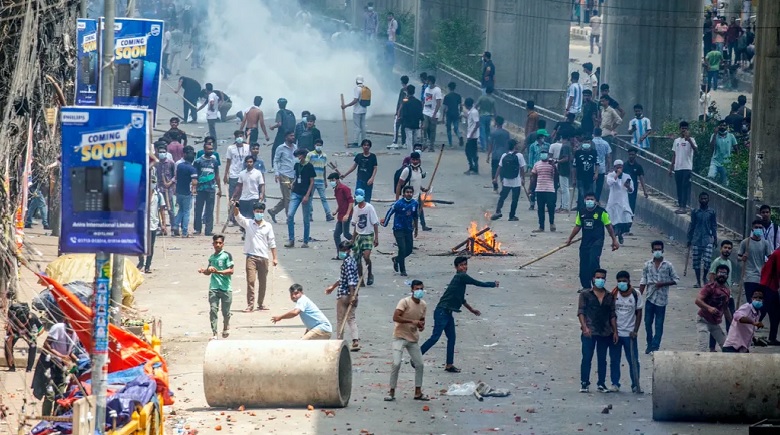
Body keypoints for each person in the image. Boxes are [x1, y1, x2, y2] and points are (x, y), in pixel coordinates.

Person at [420, 256, 498, 372]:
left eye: (465, 264)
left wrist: (472, 310)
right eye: (461, 265)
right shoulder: (461, 276)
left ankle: (449, 365)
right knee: (435, 337)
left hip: (447, 312)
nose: (464, 267)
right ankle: (416, 356)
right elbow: (477, 283)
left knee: (452, 338)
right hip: (442, 312)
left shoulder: (459, 280)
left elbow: (461, 299)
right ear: (456, 267)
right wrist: (492, 284)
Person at [566, 192, 621, 292]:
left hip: (597, 242)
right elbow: (578, 226)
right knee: (584, 264)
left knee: (593, 262)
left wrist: (614, 240)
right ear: (584, 200)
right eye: (587, 199)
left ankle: (597, 285)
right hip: (585, 242)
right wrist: (570, 239)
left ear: (596, 201)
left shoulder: (601, 212)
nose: (589, 201)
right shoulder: (581, 212)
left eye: (591, 199)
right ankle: (586, 286)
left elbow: (608, 226)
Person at [385, 280, 428, 402]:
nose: (419, 291)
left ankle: (418, 392)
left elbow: (422, 321)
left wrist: (420, 326)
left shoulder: (423, 305)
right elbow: (396, 317)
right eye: (417, 289)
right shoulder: (404, 302)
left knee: (419, 364)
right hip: (399, 336)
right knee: (396, 363)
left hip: (413, 338)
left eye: (421, 288)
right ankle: (391, 391)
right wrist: (412, 322)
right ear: (412, 290)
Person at [578, 269, 617, 394]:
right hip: (589, 331)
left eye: (602, 278)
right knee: (587, 358)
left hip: (605, 332)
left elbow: (612, 315)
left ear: (605, 280)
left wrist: (615, 331)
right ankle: (584, 383)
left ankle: (601, 383)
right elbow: (581, 312)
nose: (600, 280)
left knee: (602, 359)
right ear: (593, 279)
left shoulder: (609, 296)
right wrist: (584, 327)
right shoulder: (585, 294)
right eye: (598, 277)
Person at [233, 202, 277, 313]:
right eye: (257, 211)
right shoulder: (248, 223)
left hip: (263, 257)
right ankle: (250, 305)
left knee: (263, 282)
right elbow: (238, 217)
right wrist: (236, 207)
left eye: (261, 212)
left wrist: (274, 258)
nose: (259, 214)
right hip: (251, 257)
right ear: (254, 212)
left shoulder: (268, 226)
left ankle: (261, 303)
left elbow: (272, 243)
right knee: (251, 281)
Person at [639, 240, 680, 354]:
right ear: (652, 250)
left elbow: (676, 280)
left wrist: (663, 283)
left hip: (662, 300)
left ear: (663, 250)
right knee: (647, 323)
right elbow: (644, 280)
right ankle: (649, 343)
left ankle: (655, 346)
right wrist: (639, 295)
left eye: (659, 249)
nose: (657, 251)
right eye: (655, 249)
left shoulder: (668, 265)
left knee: (658, 324)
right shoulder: (647, 265)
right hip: (650, 298)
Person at [608, 271, 643, 393]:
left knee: (633, 360)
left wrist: (635, 330)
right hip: (616, 334)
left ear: (629, 281)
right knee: (614, 359)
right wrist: (613, 331)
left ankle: (635, 384)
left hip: (630, 334)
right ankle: (615, 383)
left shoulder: (635, 294)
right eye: (619, 281)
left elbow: (639, 312)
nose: (621, 283)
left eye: (624, 281)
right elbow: (611, 313)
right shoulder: (613, 294)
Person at [33, 321, 78, 415]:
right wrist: (61, 356)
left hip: (62, 367)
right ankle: (45, 419)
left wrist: (78, 361)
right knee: (50, 395)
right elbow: (46, 344)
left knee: (60, 395)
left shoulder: (76, 333)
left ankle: (55, 418)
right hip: (51, 364)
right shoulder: (58, 328)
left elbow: (69, 352)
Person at [326, 241, 361, 350]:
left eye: (343, 250)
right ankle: (355, 340)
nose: (341, 252)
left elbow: (350, 281)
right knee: (351, 318)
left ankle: (339, 341)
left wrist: (352, 296)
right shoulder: (351, 261)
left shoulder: (348, 263)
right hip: (352, 293)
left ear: (348, 250)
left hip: (345, 295)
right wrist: (333, 287)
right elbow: (343, 278)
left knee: (341, 319)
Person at [198, 234, 233, 339]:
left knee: (226, 312)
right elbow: (208, 272)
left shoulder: (227, 255)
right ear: (213, 244)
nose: (218, 245)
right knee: (213, 310)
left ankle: (226, 326)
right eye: (216, 243)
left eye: (220, 243)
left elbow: (231, 270)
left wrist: (218, 271)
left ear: (223, 244)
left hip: (226, 288)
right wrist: (204, 270)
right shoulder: (212, 257)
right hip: (214, 287)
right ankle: (214, 333)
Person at [382, 185, 419, 277]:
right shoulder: (398, 203)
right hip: (398, 229)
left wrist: (416, 229)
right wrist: (385, 223)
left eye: (411, 192)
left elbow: (415, 216)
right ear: (403, 194)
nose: (409, 194)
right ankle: (403, 270)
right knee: (402, 248)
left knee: (409, 250)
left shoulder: (415, 203)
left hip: (408, 229)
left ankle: (397, 259)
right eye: (407, 192)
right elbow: (390, 212)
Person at [695, 264, 733, 351]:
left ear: (727, 276)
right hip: (703, 320)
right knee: (702, 347)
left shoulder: (726, 291)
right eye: (720, 272)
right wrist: (709, 308)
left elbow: (725, 309)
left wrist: (733, 323)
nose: (722, 275)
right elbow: (697, 301)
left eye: (725, 273)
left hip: (714, 323)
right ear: (716, 274)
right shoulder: (709, 287)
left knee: (726, 348)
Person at [285, 148, 315, 248]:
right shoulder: (297, 165)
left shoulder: (309, 166)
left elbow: (312, 182)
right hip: (296, 192)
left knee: (306, 219)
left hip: (305, 194)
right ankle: (291, 239)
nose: (298, 157)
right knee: (290, 215)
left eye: (299, 155)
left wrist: (307, 195)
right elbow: (296, 177)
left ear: (303, 155)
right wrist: (292, 184)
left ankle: (305, 241)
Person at [688, 192, 719, 288]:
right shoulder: (695, 211)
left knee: (707, 261)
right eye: (702, 198)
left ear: (708, 200)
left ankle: (704, 277)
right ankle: (698, 281)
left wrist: (715, 237)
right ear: (699, 200)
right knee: (696, 262)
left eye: (705, 198)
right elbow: (692, 225)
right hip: (697, 239)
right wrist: (689, 238)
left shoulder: (712, 212)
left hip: (708, 239)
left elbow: (714, 225)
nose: (704, 200)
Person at [4, 295, 42, 372]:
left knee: (33, 344)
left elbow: (42, 328)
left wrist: (36, 334)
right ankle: (11, 366)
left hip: (28, 332)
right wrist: (10, 356)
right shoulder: (12, 321)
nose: (22, 325)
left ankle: (29, 368)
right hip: (15, 332)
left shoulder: (33, 317)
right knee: (7, 345)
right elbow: (9, 340)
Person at [491, 139, 526, 221]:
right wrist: (523, 179)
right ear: (514, 146)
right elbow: (522, 168)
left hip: (506, 181)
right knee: (515, 199)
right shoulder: (519, 155)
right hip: (516, 181)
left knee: (502, 197)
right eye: (516, 144)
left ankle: (498, 211)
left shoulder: (504, 155)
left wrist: (495, 178)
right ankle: (511, 216)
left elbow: (499, 167)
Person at [231, 155, 265, 238]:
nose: (249, 163)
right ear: (245, 163)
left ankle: (250, 233)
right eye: (248, 162)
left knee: (251, 216)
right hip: (243, 198)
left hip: (254, 197)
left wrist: (262, 194)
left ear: (253, 163)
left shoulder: (258, 173)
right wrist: (233, 196)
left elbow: (262, 185)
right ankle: (245, 231)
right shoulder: (242, 173)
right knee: (243, 216)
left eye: (251, 162)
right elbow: (239, 186)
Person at [395, 152, 430, 231]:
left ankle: (423, 225)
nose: (415, 162)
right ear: (410, 160)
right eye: (413, 160)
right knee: (408, 218)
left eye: (416, 160)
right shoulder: (407, 170)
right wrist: (397, 200)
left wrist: (423, 189)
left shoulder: (420, 170)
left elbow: (416, 182)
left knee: (420, 211)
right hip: (408, 198)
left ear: (419, 160)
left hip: (417, 196)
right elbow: (399, 184)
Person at [351, 188, 379, 285]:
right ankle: (361, 278)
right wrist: (352, 239)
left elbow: (375, 223)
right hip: (359, 235)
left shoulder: (369, 207)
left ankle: (370, 274)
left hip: (368, 235)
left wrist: (376, 238)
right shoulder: (355, 209)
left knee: (366, 256)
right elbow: (355, 224)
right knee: (357, 259)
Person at [192, 141, 222, 236]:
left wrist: (220, 188)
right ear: (204, 149)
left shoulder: (214, 161)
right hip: (200, 189)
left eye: (211, 149)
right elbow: (194, 176)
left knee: (209, 210)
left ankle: (208, 230)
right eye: (208, 149)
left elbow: (217, 175)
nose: (210, 151)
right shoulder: (198, 161)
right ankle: (197, 229)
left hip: (211, 189)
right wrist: (194, 187)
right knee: (198, 210)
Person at [268, 131, 296, 223]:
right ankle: (289, 217)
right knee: (288, 197)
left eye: (293, 135)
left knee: (287, 197)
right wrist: (276, 173)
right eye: (291, 136)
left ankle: (273, 211)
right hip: (284, 175)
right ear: (286, 137)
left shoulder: (295, 147)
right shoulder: (280, 148)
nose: (293, 137)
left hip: (293, 175)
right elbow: (275, 161)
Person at [669, 121, 697, 214]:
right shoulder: (676, 141)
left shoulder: (691, 139)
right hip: (678, 167)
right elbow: (674, 154)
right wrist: (671, 167)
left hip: (687, 167)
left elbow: (696, 150)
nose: (684, 130)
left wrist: (688, 140)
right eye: (682, 128)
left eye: (685, 128)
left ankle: (683, 206)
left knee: (685, 187)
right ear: (679, 129)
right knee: (679, 187)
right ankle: (680, 204)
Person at [138, 176, 165, 273]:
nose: (152, 183)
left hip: (153, 224)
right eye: (150, 182)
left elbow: (161, 210)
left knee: (151, 246)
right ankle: (141, 262)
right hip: (142, 223)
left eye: (153, 182)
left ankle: (147, 266)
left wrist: (163, 224)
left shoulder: (159, 195)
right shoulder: (141, 194)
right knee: (140, 244)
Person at [605, 160, 634, 244]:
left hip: (623, 202)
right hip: (613, 201)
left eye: (620, 166)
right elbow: (610, 183)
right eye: (617, 167)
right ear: (614, 167)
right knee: (614, 221)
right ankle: (615, 237)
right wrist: (617, 174)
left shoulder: (627, 176)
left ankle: (620, 234)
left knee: (627, 221)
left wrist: (628, 187)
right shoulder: (610, 175)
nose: (619, 168)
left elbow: (631, 190)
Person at [224, 131, 249, 225]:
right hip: (234, 175)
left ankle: (239, 216)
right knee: (233, 197)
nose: (239, 137)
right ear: (235, 137)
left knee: (242, 197)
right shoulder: (231, 148)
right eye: (238, 136)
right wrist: (225, 174)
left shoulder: (247, 147)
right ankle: (231, 218)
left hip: (244, 175)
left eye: (241, 136)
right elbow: (228, 162)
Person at [305, 139, 333, 221]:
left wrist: (325, 180)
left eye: (320, 145)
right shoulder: (310, 155)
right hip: (311, 181)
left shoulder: (324, 156)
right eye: (317, 145)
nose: (318, 146)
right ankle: (310, 215)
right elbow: (306, 166)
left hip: (320, 180)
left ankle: (328, 214)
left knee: (323, 198)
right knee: (310, 198)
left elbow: (324, 168)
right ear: (314, 145)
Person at [622, 148, 648, 235]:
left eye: (633, 155)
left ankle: (628, 226)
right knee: (624, 208)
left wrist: (645, 191)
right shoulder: (624, 166)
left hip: (633, 191)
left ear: (635, 155)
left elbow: (641, 178)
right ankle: (623, 226)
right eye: (630, 154)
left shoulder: (638, 167)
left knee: (631, 208)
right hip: (623, 191)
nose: (631, 156)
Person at [530, 150, 556, 232]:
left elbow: (557, 175)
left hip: (550, 189)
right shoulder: (537, 164)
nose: (544, 155)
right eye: (542, 154)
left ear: (548, 155)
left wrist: (554, 166)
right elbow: (533, 177)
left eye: (545, 154)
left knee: (551, 207)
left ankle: (552, 223)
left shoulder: (552, 164)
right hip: (539, 189)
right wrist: (531, 188)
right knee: (540, 209)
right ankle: (541, 227)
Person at [173, 146, 196, 237]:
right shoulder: (192, 169)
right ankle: (185, 232)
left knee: (181, 210)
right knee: (186, 212)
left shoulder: (179, 165)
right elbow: (194, 182)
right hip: (187, 192)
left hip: (179, 191)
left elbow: (176, 177)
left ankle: (175, 225)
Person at [329, 172, 353, 259]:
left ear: (338, 180)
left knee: (346, 234)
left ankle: (357, 243)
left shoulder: (344, 188)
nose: (332, 182)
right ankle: (340, 254)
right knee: (336, 234)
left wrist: (347, 214)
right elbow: (341, 202)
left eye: (333, 180)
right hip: (341, 214)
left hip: (346, 215)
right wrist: (336, 211)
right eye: (331, 181)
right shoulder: (336, 189)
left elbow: (351, 202)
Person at [759, 247, 780, 345]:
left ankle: (772, 337)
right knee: (762, 311)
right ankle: (746, 331)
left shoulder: (776, 252)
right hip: (769, 285)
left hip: (771, 286)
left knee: (774, 313)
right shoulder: (778, 253)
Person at [341, 75, 369, 147]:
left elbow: (355, 100)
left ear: (356, 81)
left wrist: (346, 106)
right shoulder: (365, 88)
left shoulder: (357, 89)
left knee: (357, 127)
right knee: (363, 126)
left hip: (357, 111)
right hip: (364, 110)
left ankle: (356, 142)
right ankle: (364, 142)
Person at [269, 98, 296, 172]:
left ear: (279, 104)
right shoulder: (290, 112)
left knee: (275, 149)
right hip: (291, 134)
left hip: (281, 134)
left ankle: (274, 167)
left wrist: (272, 127)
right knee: (290, 149)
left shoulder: (280, 112)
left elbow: (279, 124)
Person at [487, 116, 511, 192]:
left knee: (494, 170)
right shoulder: (506, 133)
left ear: (496, 123)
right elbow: (508, 144)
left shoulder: (493, 133)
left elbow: (490, 145)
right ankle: (504, 186)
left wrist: (488, 155)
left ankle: (495, 187)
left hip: (495, 155)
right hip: (504, 154)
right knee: (504, 171)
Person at [708, 120, 736, 186]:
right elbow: (711, 147)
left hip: (726, 163)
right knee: (710, 177)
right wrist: (715, 134)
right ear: (718, 126)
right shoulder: (714, 135)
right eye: (721, 125)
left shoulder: (731, 136)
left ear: (726, 127)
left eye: (724, 125)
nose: (722, 127)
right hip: (715, 161)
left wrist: (736, 162)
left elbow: (736, 149)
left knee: (725, 183)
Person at [573, 138, 598, 210]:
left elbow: (597, 164)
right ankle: (581, 210)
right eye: (585, 142)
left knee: (590, 195)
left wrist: (596, 173)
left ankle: (590, 210)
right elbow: (574, 167)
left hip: (590, 177)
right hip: (580, 177)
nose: (586, 143)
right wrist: (574, 179)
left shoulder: (594, 152)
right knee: (581, 195)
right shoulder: (578, 153)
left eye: (588, 142)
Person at [155, 143, 176, 226]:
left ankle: (173, 226)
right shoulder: (156, 163)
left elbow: (175, 175)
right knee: (160, 208)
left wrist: (170, 182)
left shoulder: (171, 163)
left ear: (166, 153)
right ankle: (162, 226)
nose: (162, 153)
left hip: (169, 189)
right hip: (159, 188)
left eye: (163, 152)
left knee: (170, 208)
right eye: (160, 152)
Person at [422, 75, 443, 151]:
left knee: (432, 130)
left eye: (428, 81)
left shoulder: (437, 90)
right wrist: (422, 109)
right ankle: (425, 143)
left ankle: (431, 146)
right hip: (426, 112)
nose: (426, 82)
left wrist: (434, 113)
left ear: (430, 81)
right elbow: (425, 100)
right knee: (425, 127)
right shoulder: (427, 89)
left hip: (433, 113)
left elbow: (438, 103)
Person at [399, 84, 423, 150]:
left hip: (408, 124)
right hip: (416, 124)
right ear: (414, 92)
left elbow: (404, 113)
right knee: (416, 141)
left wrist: (401, 120)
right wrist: (422, 121)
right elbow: (420, 114)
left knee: (409, 140)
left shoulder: (405, 101)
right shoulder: (418, 102)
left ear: (407, 92)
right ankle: (416, 155)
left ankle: (410, 156)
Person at [592, 128, 612, 201]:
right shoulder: (605, 143)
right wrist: (608, 168)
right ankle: (597, 200)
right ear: (601, 134)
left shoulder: (591, 142)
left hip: (591, 167)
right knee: (599, 186)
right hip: (602, 168)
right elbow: (608, 156)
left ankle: (590, 200)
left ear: (594, 133)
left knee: (590, 185)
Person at [390, 75, 409, 149]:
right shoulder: (408, 90)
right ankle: (404, 143)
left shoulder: (403, 90)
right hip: (406, 112)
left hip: (401, 112)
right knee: (403, 128)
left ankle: (395, 142)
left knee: (396, 127)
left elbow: (402, 102)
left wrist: (398, 112)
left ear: (402, 81)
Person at [476, 87, 496, 152]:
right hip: (489, 116)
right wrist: (495, 119)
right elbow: (495, 110)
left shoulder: (481, 98)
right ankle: (488, 146)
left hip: (482, 115)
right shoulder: (492, 100)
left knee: (482, 131)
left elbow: (476, 105)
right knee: (488, 132)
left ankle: (483, 146)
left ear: (486, 91)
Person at [443, 82, 463, 147]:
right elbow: (460, 106)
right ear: (454, 88)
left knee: (448, 129)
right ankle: (460, 136)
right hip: (456, 114)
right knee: (456, 128)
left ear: (449, 88)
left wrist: (443, 117)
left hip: (449, 114)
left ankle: (450, 143)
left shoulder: (447, 96)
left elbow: (445, 108)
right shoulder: (458, 96)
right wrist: (460, 114)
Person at [464, 97, 480, 175]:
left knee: (470, 152)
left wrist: (471, 134)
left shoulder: (474, 112)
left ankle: (474, 168)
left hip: (472, 136)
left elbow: (477, 124)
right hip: (470, 135)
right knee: (470, 152)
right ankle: (472, 167)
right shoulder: (471, 112)